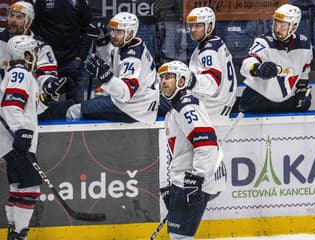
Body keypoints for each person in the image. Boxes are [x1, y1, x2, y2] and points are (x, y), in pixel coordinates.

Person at [158, 60, 226, 240]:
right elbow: (179, 152)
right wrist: (170, 185)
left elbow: (206, 144)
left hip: (195, 180)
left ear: (181, 81)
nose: (164, 81)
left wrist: (196, 179)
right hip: (185, 179)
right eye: (162, 77)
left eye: (169, 77)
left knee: (180, 237)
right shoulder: (174, 109)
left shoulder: (187, 105)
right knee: (178, 235)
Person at [66, 12, 159, 123]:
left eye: (118, 32)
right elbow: (112, 63)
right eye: (112, 30)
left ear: (130, 34)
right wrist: (102, 41)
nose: (113, 35)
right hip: (140, 106)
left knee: (73, 111)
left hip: (133, 110)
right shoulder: (128, 45)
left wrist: (106, 76)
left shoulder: (132, 58)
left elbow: (126, 94)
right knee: (97, 98)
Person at [0, 1, 73, 120]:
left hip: (30, 104)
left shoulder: (42, 47)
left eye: (19, 17)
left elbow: (45, 75)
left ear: (28, 21)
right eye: (11, 15)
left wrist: (51, 84)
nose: (13, 20)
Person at [0, 35, 42, 240]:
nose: (35, 56)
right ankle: (19, 236)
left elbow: (27, 107)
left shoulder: (14, 73)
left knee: (17, 187)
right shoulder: (20, 73)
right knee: (31, 186)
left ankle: (13, 232)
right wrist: (23, 133)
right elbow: (10, 106)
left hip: (9, 142)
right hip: (14, 140)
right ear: (26, 54)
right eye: (33, 52)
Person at [239, 4, 313, 113]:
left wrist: (301, 93)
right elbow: (246, 63)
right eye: (276, 23)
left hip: (286, 103)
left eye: (283, 26)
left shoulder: (305, 46)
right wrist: (258, 68)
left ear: (294, 27)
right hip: (257, 101)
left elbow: (304, 72)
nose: (277, 29)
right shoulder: (264, 42)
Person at [32, 0, 94, 104]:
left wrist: (80, 56)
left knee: (76, 108)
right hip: (47, 64)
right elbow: (33, 27)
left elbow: (88, 29)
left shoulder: (79, 2)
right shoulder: (40, 1)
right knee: (45, 108)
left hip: (72, 61)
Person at [184, 7, 237, 119]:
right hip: (219, 105)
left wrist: (187, 80)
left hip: (210, 109)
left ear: (209, 26)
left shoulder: (209, 51)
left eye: (198, 26)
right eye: (191, 26)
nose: (193, 30)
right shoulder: (216, 42)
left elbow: (211, 85)